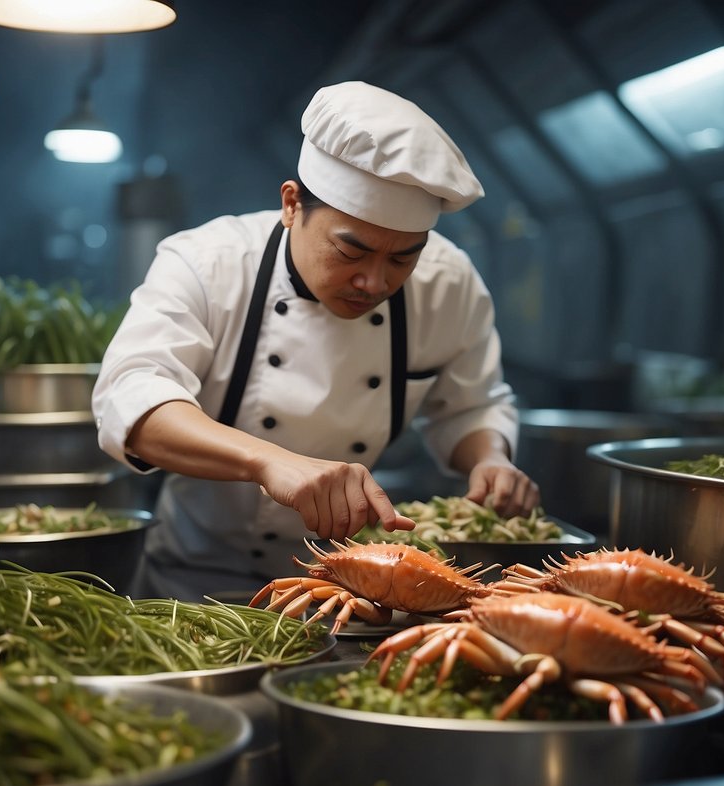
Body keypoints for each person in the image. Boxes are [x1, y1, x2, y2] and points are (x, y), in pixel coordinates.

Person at [92, 80, 540, 600]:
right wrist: (270, 460)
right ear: (291, 204)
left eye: (402, 259)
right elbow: (134, 398)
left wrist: (490, 459)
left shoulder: (448, 282)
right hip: (196, 583)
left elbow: (470, 405)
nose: (374, 282)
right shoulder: (206, 263)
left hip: (355, 589)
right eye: (352, 252)